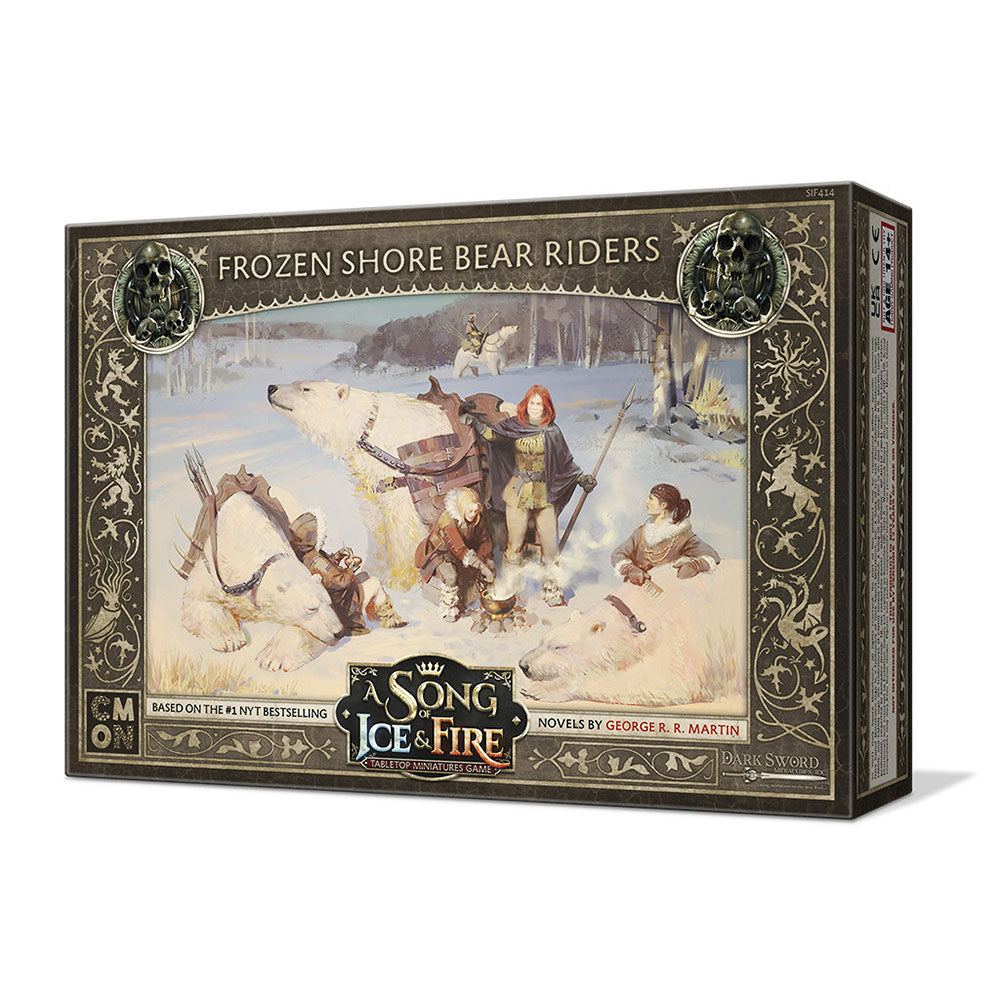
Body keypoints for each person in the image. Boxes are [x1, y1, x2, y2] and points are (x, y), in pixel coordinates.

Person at [471, 384, 596, 607]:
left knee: (550, 546)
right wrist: (477, 424)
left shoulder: (553, 431)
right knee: (514, 545)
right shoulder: (515, 426)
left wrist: (581, 478)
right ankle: (512, 587)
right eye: (532, 403)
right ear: (526, 404)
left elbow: (565, 461)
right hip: (518, 491)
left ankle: (552, 588)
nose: (535, 407)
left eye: (539, 403)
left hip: (544, 494)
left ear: (546, 406)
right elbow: (493, 436)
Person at [289, 512, 406, 633]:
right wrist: (351, 570)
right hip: (343, 605)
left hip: (336, 599)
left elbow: (328, 571)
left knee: (364, 576)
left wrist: (338, 555)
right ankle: (389, 620)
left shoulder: (309, 556)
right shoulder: (317, 561)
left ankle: (375, 616)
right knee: (375, 582)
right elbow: (341, 582)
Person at [611, 483, 720, 584]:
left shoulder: (683, 536)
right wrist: (629, 569)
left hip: (666, 592)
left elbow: (712, 556)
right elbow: (617, 554)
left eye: (651, 499)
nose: (647, 502)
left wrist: (694, 565)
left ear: (663, 505)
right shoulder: (640, 533)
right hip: (633, 590)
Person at [415, 486, 495, 622]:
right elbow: (459, 548)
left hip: (461, 554)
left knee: (489, 565)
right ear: (461, 507)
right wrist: (481, 566)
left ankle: (484, 597)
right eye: (470, 511)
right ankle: (448, 608)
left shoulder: (477, 518)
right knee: (450, 575)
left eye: (476, 511)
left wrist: (485, 559)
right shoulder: (447, 519)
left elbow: (484, 539)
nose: (473, 514)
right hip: (439, 555)